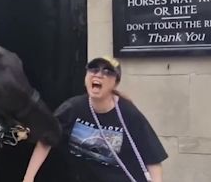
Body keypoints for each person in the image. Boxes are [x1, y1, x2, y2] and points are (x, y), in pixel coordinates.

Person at [23, 56, 168, 182]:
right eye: (93, 70)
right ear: (86, 77)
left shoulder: (129, 114)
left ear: (115, 83)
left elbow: (153, 158)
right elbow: (46, 139)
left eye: (107, 72)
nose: (98, 75)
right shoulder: (72, 108)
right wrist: (28, 178)